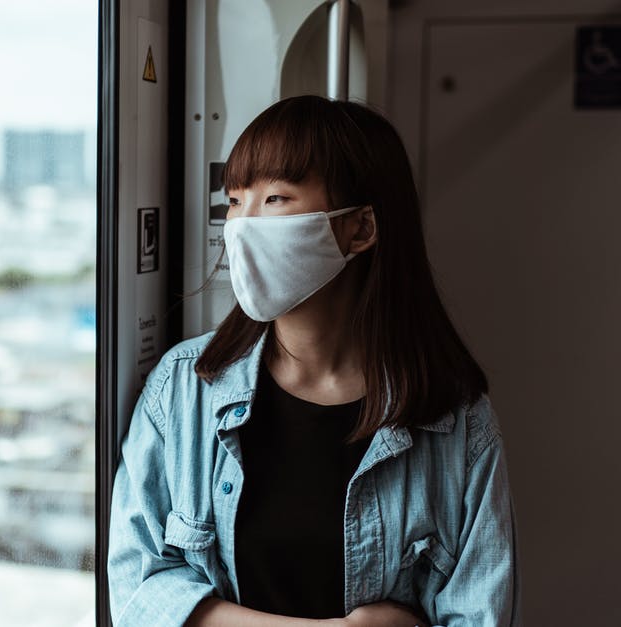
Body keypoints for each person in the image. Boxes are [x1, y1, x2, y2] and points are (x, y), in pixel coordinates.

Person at [108, 95, 519, 626]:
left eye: (275, 198)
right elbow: (138, 594)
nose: (241, 226)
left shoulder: (456, 421)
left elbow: (482, 612)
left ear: (361, 228)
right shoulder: (184, 387)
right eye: (234, 201)